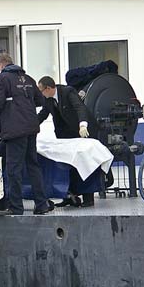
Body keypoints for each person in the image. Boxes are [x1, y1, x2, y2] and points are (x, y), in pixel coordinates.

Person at [0, 53, 52, 216]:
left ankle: (16, 207)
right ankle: (42, 204)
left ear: (0, 66)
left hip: (14, 129)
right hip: (31, 128)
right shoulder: (28, 78)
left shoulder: (3, 79)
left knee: (13, 169)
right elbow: (40, 101)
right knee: (33, 166)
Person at [37, 75, 98, 207]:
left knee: (85, 162)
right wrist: (29, 126)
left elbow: (79, 107)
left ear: (48, 88)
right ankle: (70, 195)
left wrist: (83, 125)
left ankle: (88, 197)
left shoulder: (67, 91)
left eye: (41, 90)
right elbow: (42, 114)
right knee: (67, 165)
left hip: (82, 131)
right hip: (65, 135)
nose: (40, 94)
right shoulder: (48, 100)